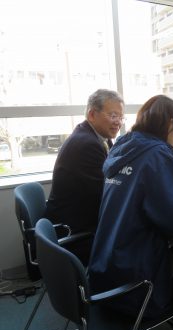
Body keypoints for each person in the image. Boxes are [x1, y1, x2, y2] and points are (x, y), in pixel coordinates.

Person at [88, 95, 173, 330]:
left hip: (105, 267)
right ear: (170, 122)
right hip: (133, 283)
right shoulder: (156, 155)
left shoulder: (123, 146)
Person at [45, 89, 124, 263]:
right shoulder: (87, 144)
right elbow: (106, 193)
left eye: (121, 117)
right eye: (113, 116)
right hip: (76, 229)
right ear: (92, 114)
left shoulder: (94, 137)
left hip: (77, 218)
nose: (118, 122)